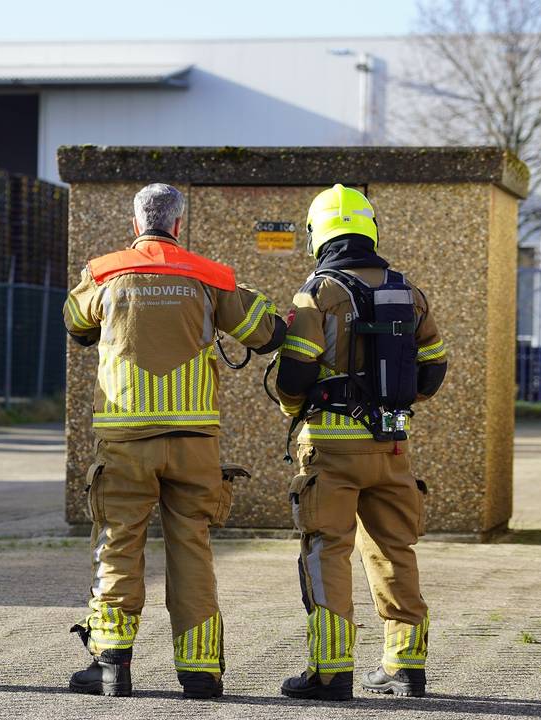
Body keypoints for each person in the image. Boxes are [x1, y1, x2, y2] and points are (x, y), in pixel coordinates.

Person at [62, 183, 287, 699]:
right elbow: (268, 333)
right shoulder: (210, 276)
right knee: (194, 550)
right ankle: (202, 673)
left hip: (125, 443)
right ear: (180, 225)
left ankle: (111, 667)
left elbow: (75, 324)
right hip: (193, 445)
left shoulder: (103, 272)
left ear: (136, 224)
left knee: (118, 545)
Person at [275, 184, 448, 701]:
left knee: (327, 549)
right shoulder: (407, 289)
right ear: (368, 229)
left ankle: (330, 672)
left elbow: (295, 374)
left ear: (318, 233)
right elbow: (434, 370)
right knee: (396, 550)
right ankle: (406, 666)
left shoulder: (319, 291)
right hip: (393, 447)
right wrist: (392, 404)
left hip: (330, 449)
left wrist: (294, 407)